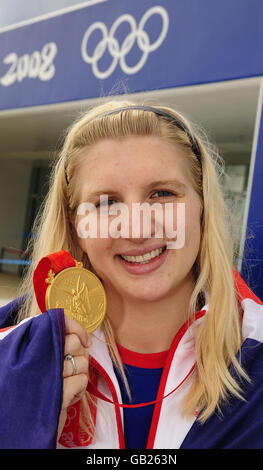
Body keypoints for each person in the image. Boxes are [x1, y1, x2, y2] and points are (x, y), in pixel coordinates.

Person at [0, 100, 263, 450]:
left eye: (162, 193)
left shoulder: (255, 351)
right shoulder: (10, 353)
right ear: (75, 225)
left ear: (203, 208)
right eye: (106, 202)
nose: (137, 229)